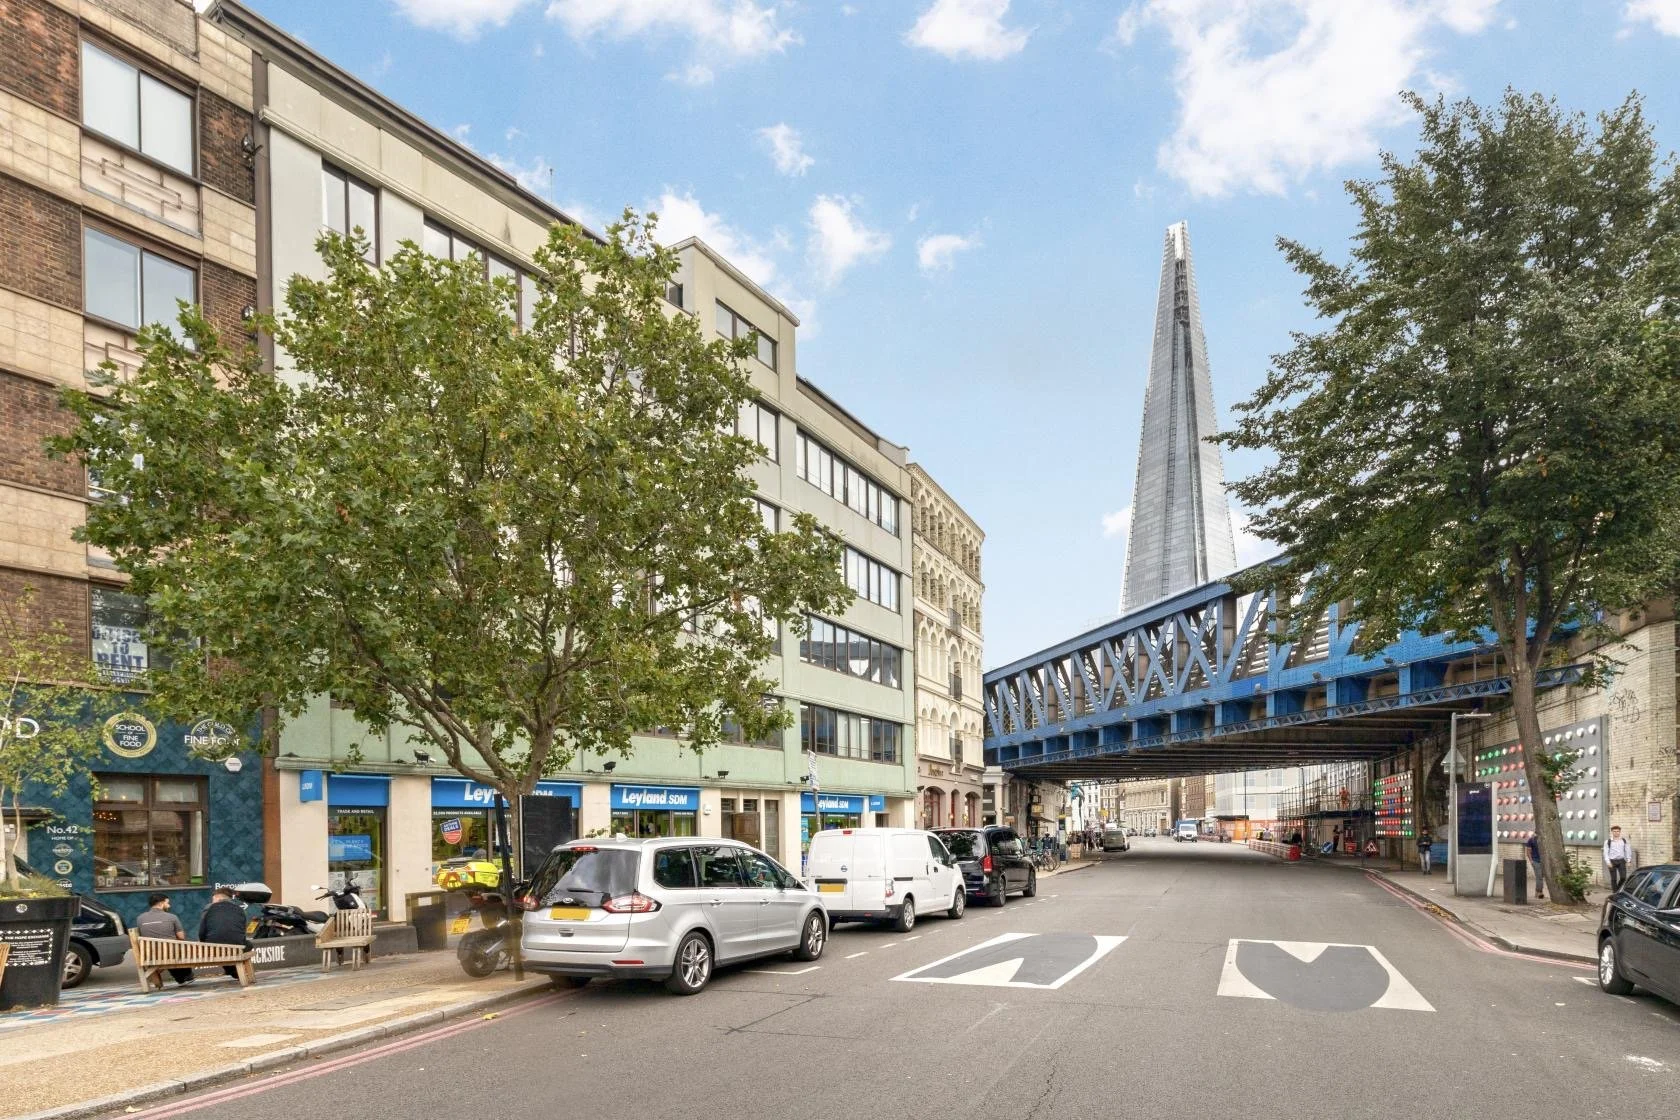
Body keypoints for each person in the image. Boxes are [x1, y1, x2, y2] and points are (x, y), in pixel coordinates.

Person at [135, 893, 193, 986]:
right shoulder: (172, 917)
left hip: (150, 954)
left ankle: (181, 979)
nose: (169, 905)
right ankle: (185, 977)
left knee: (168, 951)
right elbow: (181, 937)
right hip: (170, 953)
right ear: (161, 903)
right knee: (176, 950)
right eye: (167, 903)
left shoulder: (140, 918)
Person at [198, 887, 250, 978]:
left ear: (217, 898)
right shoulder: (239, 909)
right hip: (236, 947)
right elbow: (242, 930)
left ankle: (233, 972)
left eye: (213, 898)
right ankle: (235, 972)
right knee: (248, 945)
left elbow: (202, 932)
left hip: (213, 948)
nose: (212, 901)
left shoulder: (209, 908)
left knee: (222, 946)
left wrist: (203, 943)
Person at [1604, 825, 1633, 892]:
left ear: (1620, 832)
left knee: (1623, 877)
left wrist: (1628, 861)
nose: (1616, 833)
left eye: (1618, 831)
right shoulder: (1608, 842)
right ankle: (1615, 892)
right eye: (1614, 831)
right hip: (1612, 861)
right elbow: (1605, 853)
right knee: (1613, 879)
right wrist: (1608, 862)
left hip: (1621, 861)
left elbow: (1628, 850)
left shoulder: (1624, 840)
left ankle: (1618, 889)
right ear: (1612, 832)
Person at [1524, 834, 1544, 899]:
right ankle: (1539, 892)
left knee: (1540, 877)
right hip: (1536, 861)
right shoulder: (1532, 840)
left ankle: (1536, 893)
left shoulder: (1544, 840)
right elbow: (1528, 852)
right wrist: (1531, 861)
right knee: (1539, 877)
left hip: (1544, 862)